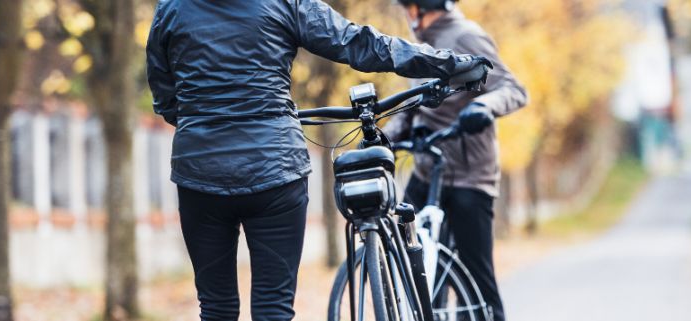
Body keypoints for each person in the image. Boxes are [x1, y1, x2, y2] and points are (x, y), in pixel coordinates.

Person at [145, 0, 492, 319]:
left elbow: (164, 97)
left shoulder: (171, 7)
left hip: (200, 174)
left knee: (216, 307)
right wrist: (447, 63)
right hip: (275, 171)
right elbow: (359, 43)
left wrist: (203, 122)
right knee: (273, 307)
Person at [382, 1, 529, 320]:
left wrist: (485, 106)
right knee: (414, 265)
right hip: (427, 169)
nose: (405, 16)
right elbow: (412, 109)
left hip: (468, 175)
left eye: (407, 7)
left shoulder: (465, 36)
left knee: (477, 280)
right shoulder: (422, 47)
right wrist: (382, 141)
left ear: (421, 7)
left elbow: (513, 89)